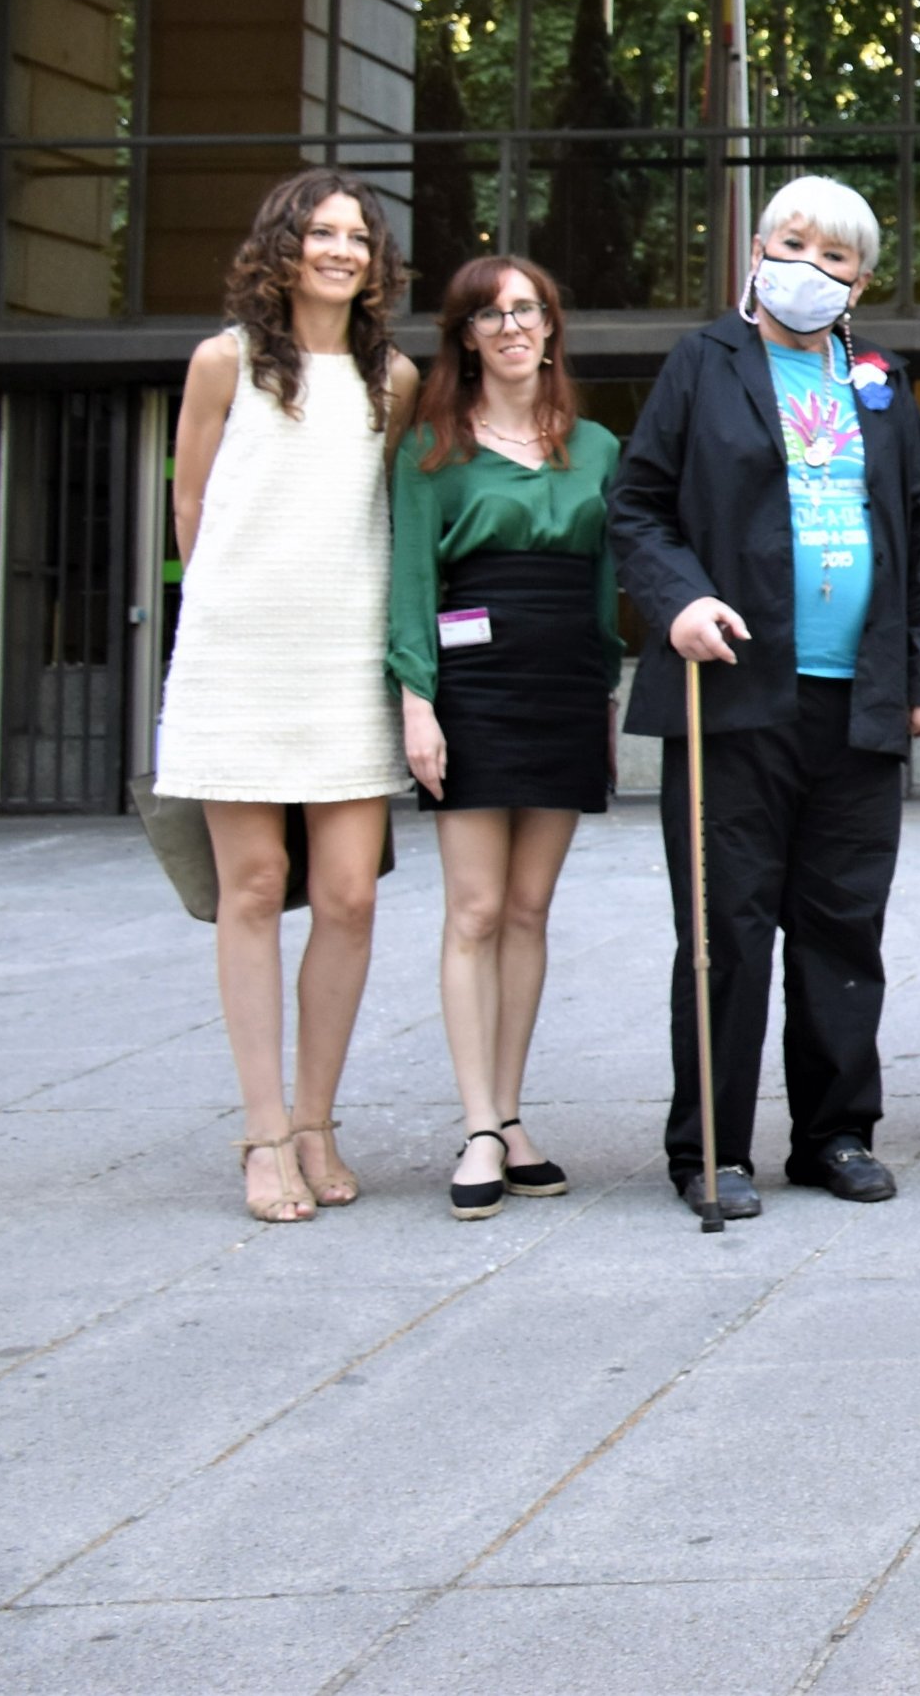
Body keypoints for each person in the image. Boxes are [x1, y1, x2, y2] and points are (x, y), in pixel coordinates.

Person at [611, 176, 920, 1217]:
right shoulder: (703, 362)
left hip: (858, 697)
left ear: (860, 281)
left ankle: (835, 1133)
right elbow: (636, 505)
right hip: (732, 696)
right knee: (726, 928)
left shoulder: (882, 381)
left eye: (837, 254)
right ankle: (711, 1148)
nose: (811, 265)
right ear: (757, 252)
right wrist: (678, 601)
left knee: (842, 924)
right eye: (794, 243)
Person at [157, 168, 414, 1223]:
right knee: (255, 886)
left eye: (358, 235)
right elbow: (190, 502)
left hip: (347, 658)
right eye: (322, 231)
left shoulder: (394, 378)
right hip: (240, 658)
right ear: (284, 245)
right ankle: (263, 1133)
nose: (341, 249)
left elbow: (383, 510)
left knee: (350, 895)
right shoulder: (221, 362)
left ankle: (316, 1120)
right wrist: (232, 610)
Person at [390, 251, 614, 1218]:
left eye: (528, 309)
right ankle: (478, 1124)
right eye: (491, 314)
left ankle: (513, 1115)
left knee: (529, 908)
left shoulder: (596, 447)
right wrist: (416, 700)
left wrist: (604, 694)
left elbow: (606, 583)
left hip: (565, 686)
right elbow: (411, 580)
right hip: (473, 687)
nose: (513, 326)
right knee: (475, 910)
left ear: (551, 327)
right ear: (467, 337)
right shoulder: (431, 449)